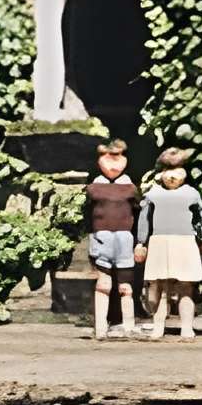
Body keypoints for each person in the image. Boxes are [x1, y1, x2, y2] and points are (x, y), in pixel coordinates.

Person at [138, 145, 202, 339]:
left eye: (177, 170)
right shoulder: (152, 194)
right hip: (159, 243)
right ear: (161, 172)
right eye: (167, 170)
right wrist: (141, 243)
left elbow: (201, 218)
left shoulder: (192, 194)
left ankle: (187, 326)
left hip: (185, 243)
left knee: (186, 288)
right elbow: (144, 220)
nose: (172, 176)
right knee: (160, 288)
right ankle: (158, 326)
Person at [80, 137, 140, 338]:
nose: (113, 163)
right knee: (103, 284)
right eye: (108, 156)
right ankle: (100, 327)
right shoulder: (94, 187)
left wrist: (140, 242)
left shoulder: (130, 188)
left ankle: (129, 326)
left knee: (126, 286)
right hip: (102, 238)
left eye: (117, 156)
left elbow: (139, 209)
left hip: (124, 239)